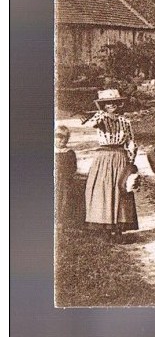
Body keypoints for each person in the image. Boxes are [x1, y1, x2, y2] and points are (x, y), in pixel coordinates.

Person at [82, 88, 138, 243]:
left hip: (120, 156)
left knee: (121, 190)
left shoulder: (125, 121)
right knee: (104, 189)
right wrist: (101, 114)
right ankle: (106, 229)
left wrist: (131, 161)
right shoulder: (100, 119)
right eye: (108, 103)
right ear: (104, 105)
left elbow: (131, 141)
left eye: (114, 103)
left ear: (119, 104)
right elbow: (90, 125)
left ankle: (119, 229)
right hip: (104, 157)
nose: (111, 105)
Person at [55, 125, 79, 229]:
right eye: (59, 136)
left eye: (65, 137)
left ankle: (62, 222)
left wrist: (66, 175)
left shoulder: (69, 152)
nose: (62, 140)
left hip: (64, 181)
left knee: (64, 199)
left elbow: (73, 168)